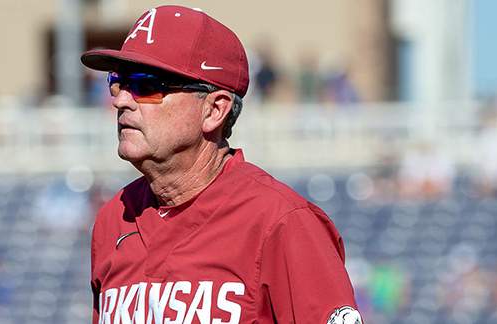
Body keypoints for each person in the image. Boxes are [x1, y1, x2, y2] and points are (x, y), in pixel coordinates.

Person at [80, 5, 362, 324]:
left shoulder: (281, 222)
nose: (120, 100)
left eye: (146, 85)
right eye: (117, 82)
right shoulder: (113, 218)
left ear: (215, 110)